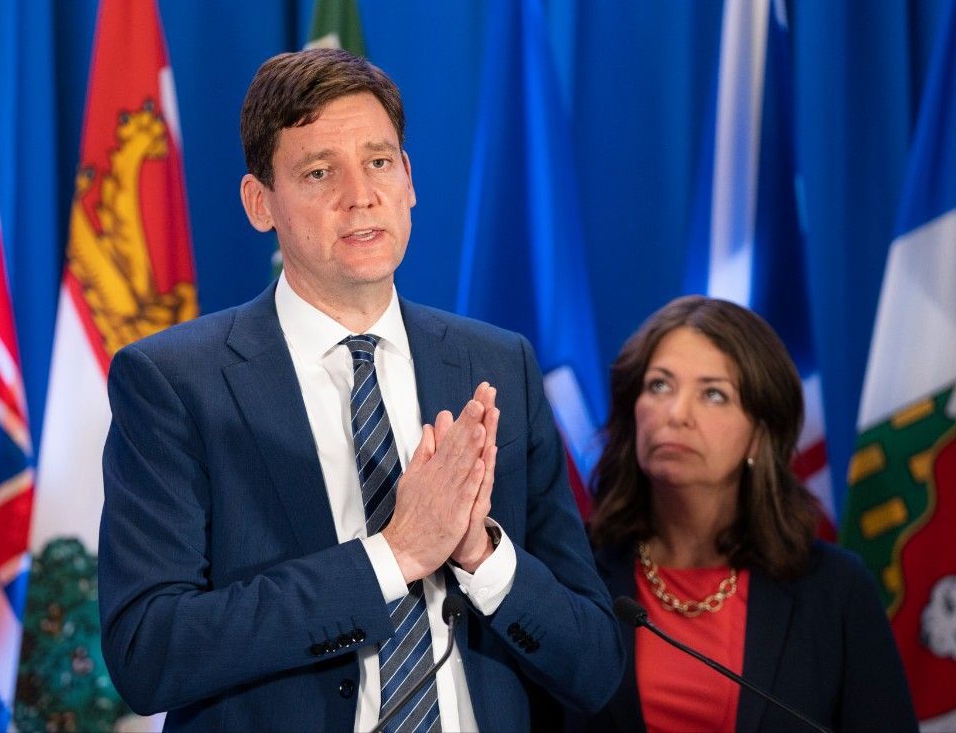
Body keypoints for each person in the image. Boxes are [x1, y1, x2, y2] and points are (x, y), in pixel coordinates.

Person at [97, 48, 623, 732]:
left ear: (408, 180)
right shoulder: (175, 383)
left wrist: (480, 555)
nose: (360, 194)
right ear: (261, 204)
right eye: (319, 172)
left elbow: (595, 665)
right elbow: (149, 651)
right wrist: (395, 555)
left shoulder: (498, 366)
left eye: (379, 162)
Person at [576, 296, 917, 733]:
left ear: (760, 435)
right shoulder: (576, 570)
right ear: (632, 410)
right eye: (659, 385)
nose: (676, 414)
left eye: (714, 395)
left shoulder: (836, 591)